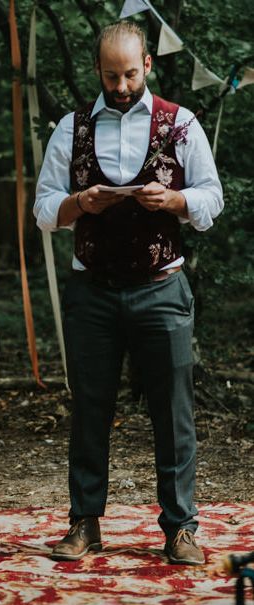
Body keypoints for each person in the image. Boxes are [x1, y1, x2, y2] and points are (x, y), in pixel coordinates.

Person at [33, 22, 223, 565]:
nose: (120, 85)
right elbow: (44, 210)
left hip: (162, 288)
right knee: (90, 408)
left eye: (130, 74)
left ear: (149, 66)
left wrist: (177, 201)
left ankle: (180, 528)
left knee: (173, 411)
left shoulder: (180, 124)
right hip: (91, 292)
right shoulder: (72, 129)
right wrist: (78, 204)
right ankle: (84, 523)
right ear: (99, 70)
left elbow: (213, 200)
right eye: (112, 75)